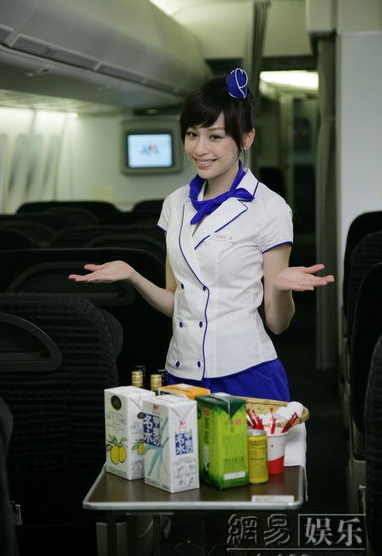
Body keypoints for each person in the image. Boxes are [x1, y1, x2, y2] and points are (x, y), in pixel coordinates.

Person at [69, 68, 334, 401]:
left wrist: (280, 290)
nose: (200, 148)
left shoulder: (269, 208)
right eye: (192, 134)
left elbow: (277, 323)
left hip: (246, 373)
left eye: (215, 136)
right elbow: (177, 303)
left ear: (246, 138)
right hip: (182, 372)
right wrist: (133, 276)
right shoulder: (175, 204)